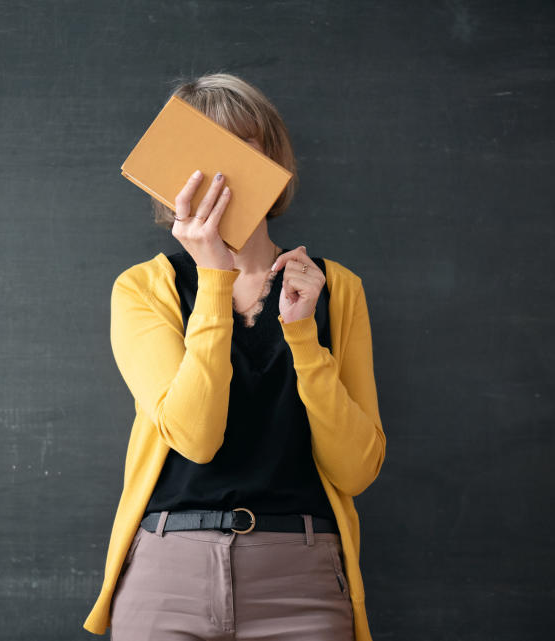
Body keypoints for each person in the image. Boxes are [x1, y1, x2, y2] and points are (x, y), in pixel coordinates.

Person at [83, 72, 386, 641]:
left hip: (302, 580)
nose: (223, 173)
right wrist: (215, 278)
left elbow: (357, 469)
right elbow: (195, 438)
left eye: (242, 149)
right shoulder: (144, 288)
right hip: (168, 573)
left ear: (274, 163)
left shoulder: (336, 289)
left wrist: (303, 337)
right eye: (202, 152)